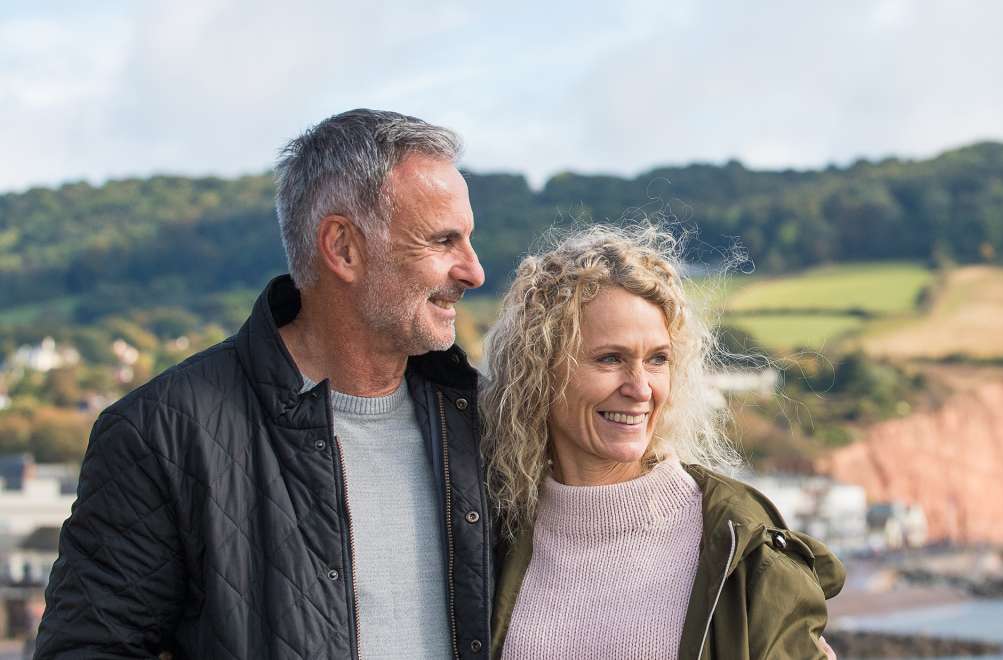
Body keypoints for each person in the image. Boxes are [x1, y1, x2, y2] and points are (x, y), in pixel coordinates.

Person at [36, 109, 495, 658]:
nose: (474, 271)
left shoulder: (483, 419)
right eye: (444, 241)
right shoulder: (161, 435)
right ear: (343, 248)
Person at [481, 225, 844, 659]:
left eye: (657, 360)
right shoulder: (490, 537)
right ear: (538, 371)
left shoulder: (743, 548)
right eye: (610, 359)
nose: (640, 388)